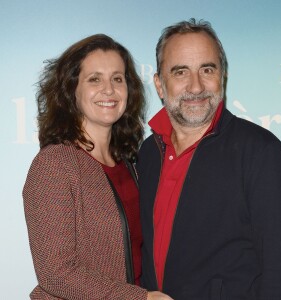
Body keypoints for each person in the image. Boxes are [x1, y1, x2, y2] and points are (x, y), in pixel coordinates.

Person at [137, 18, 281, 299]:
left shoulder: (261, 153)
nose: (196, 86)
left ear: (222, 76)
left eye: (207, 69)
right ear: (160, 85)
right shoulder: (148, 153)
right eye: (180, 72)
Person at [23, 34, 172, 300]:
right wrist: (139, 299)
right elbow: (55, 273)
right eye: (95, 79)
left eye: (117, 78)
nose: (109, 89)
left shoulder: (134, 163)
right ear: (72, 91)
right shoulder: (55, 165)